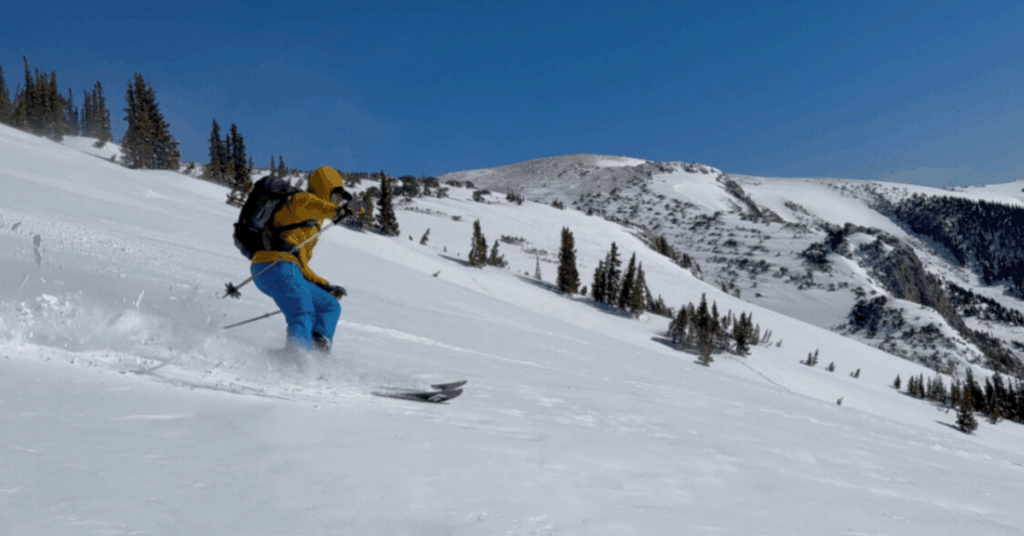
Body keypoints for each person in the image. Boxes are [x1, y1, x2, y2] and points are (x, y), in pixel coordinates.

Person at [250, 166, 354, 355]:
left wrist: (324, 285)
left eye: (340, 198)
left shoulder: (314, 225)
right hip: (273, 265)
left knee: (329, 306)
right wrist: (339, 210)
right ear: (325, 189)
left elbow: (300, 264)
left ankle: (316, 352)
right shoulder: (300, 201)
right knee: (302, 309)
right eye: (336, 195)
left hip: (288, 269)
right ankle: (296, 357)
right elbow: (314, 206)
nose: (338, 200)